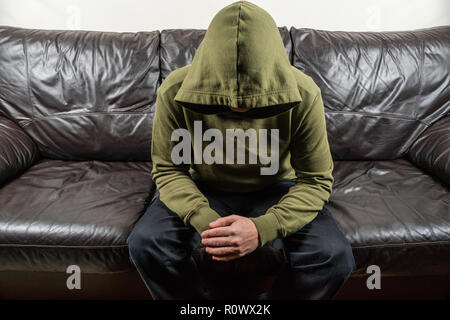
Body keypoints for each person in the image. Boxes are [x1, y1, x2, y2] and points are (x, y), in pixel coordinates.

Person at [127, 0, 355, 300]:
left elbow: (315, 180)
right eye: (225, 96)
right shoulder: (175, 89)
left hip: (277, 188)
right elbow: (169, 170)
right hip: (204, 186)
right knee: (145, 243)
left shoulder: (303, 91)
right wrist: (206, 222)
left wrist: (263, 229)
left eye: (252, 98)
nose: (238, 105)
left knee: (333, 256)